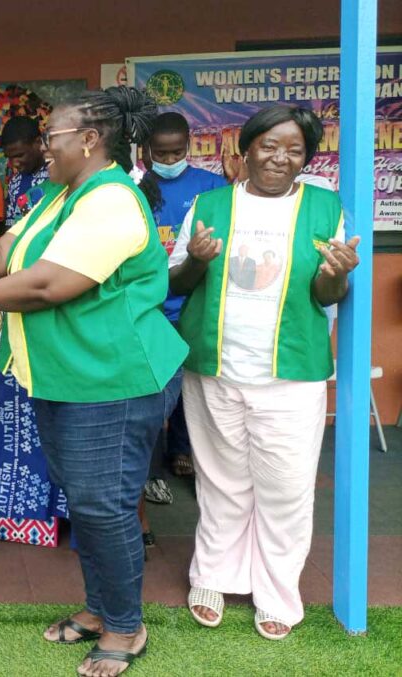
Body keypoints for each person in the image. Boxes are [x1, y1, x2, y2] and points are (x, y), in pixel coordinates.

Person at [0, 87, 184, 677]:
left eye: (51, 136)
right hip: (68, 377)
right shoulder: (61, 194)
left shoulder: (111, 200)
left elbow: (47, 285)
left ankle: (125, 627)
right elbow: (5, 253)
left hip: (115, 379)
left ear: (89, 140)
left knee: (104, 507)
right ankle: (101, 610)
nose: (42, 146)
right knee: (86, 503)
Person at [168, 105, 359, 641]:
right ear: (246, 149)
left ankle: (276, 593)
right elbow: (178, 283)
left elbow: (327, 295)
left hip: (292, 373)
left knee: (286, 489)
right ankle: (213, 576)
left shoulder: (324, 207)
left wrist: (336, 275)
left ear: (307, 159)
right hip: (215, 366)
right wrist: (197, 259)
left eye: (295, 150)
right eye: (269, 146)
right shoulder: (210, 204)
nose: (280, 158)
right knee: (220, 481)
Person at [143, 112, 227, 480]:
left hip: (192, 304)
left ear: (188, 146)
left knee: (189, 385)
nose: (169, 160)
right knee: (152, 386)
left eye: (177, 152)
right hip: (148, 304)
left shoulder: (211, 186)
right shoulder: (135, 187)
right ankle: (149, 463)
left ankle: (181, 448)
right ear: (147, 150)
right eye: (161, 153)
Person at [1, 116, 51, 229]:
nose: (14, 163)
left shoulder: (57, 175)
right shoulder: (14, 183)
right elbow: (10, 226)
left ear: (38, 142)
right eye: (9, 157)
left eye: (19, 155)